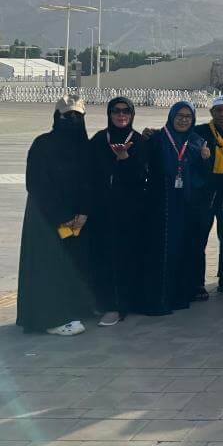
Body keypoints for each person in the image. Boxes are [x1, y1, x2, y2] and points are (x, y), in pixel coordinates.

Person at [17, 95, 95, 336]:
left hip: (76, 221)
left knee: (73, 265)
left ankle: (74, 309)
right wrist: (61, 215)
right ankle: (49, 318)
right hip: (46, 218)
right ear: (56, 118)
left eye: (77, 117)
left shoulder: (85, 147)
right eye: (67, 116)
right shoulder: (43, 144)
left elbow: (90, 183)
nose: (72, 121)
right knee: (48, 266)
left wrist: (83, 212)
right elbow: (37, 184)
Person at [141, 101, 210, 316]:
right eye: (179, 115)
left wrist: (205, 160)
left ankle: (181, 294)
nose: (183, 119)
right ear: (171, 116)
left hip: (187, 207)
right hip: (161, 205)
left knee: (184, 248)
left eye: (188, 116)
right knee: (161, 250)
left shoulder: (198, 143)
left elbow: (204, 179)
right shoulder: (157, 139)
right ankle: (158, 298)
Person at [88, 97, 146, 326]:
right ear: (109, 114)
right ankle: (105, 301)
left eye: (126, 112)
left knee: (125, 257)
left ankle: (120, 305)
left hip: (130, 213)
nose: (121, 115)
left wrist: (125, 159)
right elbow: (89, 174)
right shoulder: (100, 140)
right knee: (104, 257)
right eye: (116, 111)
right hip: (103, 211)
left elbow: (142, 177)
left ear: (132, 115)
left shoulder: (139, 141)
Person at [193, 95, 223, 297]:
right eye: (218, 110)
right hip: (206, 194)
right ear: (211, 113)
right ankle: (196, 283)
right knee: (199, 238)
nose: (222, 114)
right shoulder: (199, 132)